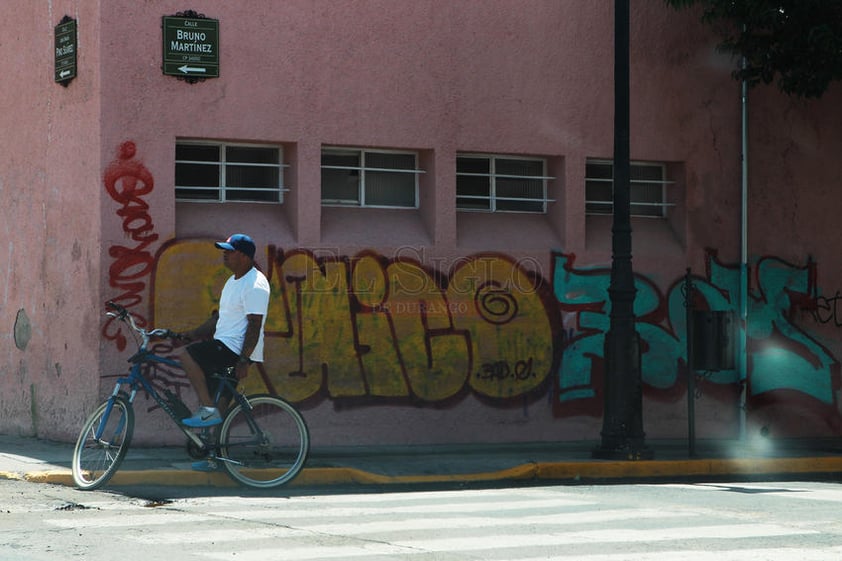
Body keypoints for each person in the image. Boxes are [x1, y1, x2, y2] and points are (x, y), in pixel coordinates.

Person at [179, 234, 270, 428]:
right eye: (224, 250)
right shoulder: (233, 281)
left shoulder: (255, 285)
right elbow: (220, 317)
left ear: (244, 256)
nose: (224, 254)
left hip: (234, 350)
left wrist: (244, 360)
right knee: (219, 400)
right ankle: (214, 454)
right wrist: (192, 333)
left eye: (230, 251)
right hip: (227, 348)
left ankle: (207, 410)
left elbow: (255, 324)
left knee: (187, 355)